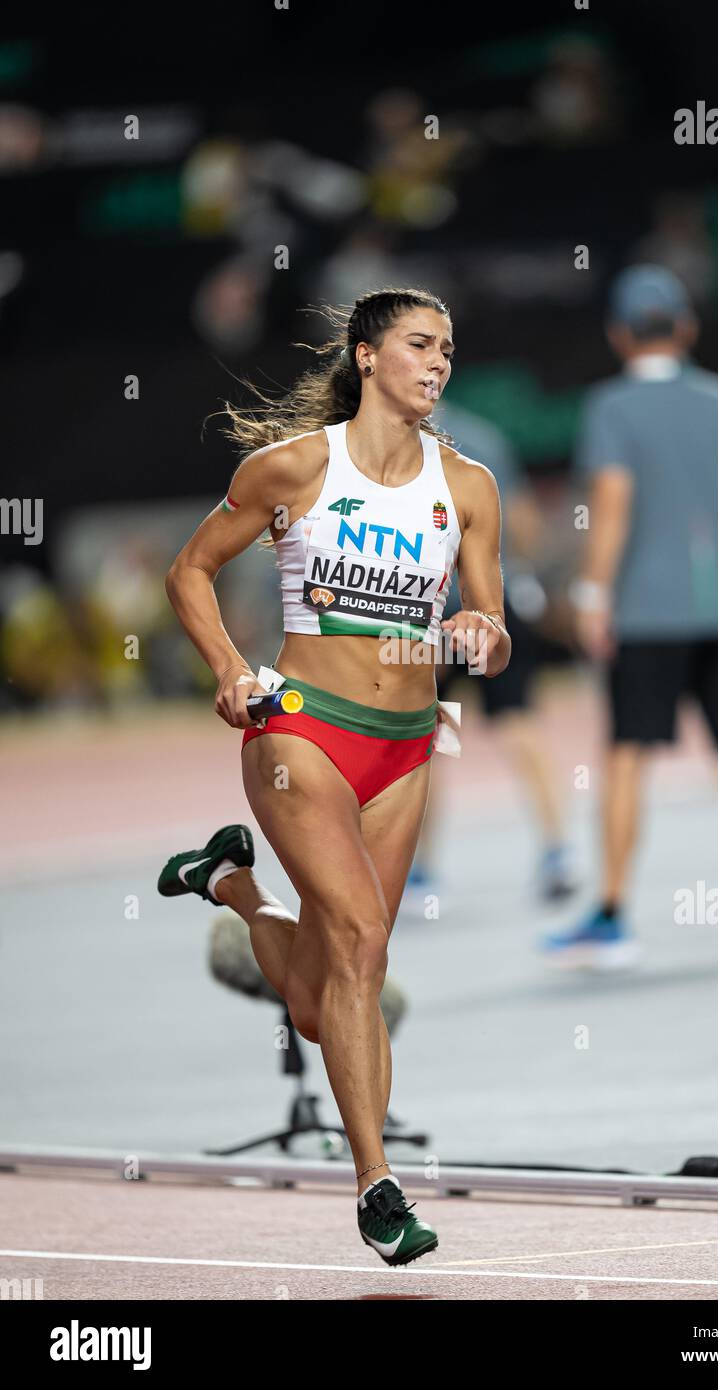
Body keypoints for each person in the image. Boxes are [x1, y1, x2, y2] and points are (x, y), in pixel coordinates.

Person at [157, 287, 511, 1263]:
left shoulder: (468, 484)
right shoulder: (292, 469)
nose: (435, 362)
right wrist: (231, 669)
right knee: (358, 944)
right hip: (299, 733)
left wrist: (484, 629)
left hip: (404, 743)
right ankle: (376, 1182)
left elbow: (489, 620)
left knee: (321, 1001)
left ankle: (227, 881)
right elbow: (189, 571)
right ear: (366, 356)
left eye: (446, 347)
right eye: (415, 345)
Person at [543, 265, 718, 969]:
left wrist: (591, 596)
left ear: (618, 334)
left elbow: (611, 509)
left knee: (628, 756)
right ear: (688, 327)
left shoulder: (612, 407)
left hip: (645, 614)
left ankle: (611, 918)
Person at [405, 397, 578, 910]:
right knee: (518, 723)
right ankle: (557, 850)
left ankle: (419, 872)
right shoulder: (483, 436)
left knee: (429, 738)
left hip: (424, 614)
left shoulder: (380, 441)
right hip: (490, 609)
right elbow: (524, 524)